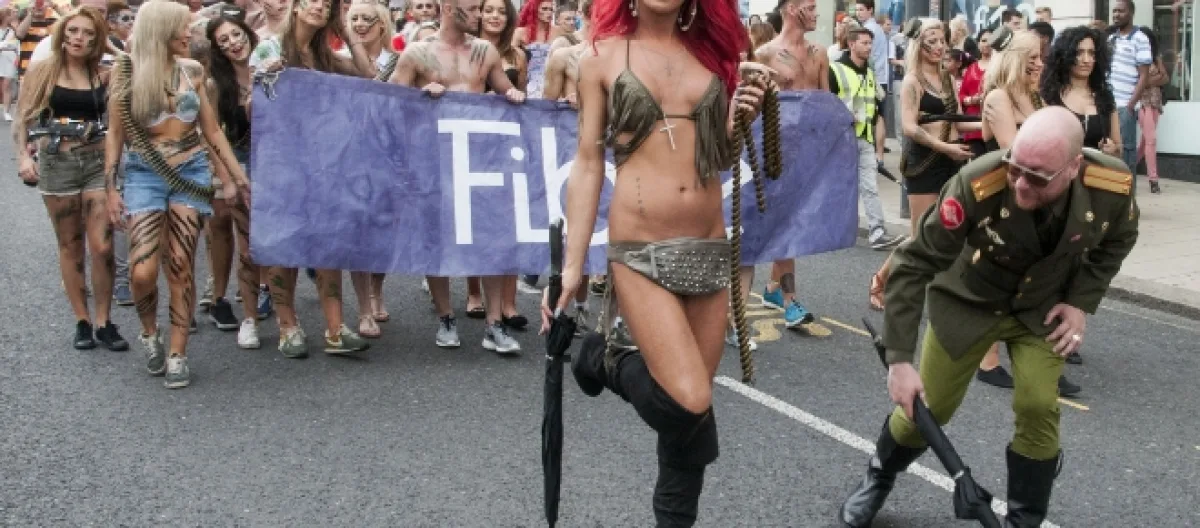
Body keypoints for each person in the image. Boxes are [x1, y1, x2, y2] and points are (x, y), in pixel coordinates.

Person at [840, 106, 1139, 528]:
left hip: (1040, 307)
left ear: (1073, 167)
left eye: (1038, 177)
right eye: (1016, 167)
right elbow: (913, 264)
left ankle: (1024, 518)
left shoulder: (1110, 185)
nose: (1020, 183)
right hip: (970, 300)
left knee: (1038, 405)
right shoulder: (978, 183)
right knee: (928, 409)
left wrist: (1079, 302)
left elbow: (1120, 239)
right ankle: (878, 476)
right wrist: (899, 361)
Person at [541, 0, 768, 522]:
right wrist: (573, 267)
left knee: (689, 421)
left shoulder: (714, 56)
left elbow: (718, 157)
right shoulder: (600, 57)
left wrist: (740, 119)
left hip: (708, 249)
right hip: (640, 251)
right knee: (688, 399)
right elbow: (588, 162)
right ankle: (604, 359)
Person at [105, 0, 249, 388]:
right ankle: (149, 331)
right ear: (161, 30)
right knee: (142, 271)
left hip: (191, 170)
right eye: (182, 27)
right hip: (144, 174)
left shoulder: (192, 71)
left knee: (182, 263)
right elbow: (115, 134)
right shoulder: (125, 71)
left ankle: (177, 353)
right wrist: (110, 189)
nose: (189, 33)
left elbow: (212, 130)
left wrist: (236, 178)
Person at [389, 0, 526, 353]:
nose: (480, 15)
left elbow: (505, 91)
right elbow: (390, 103)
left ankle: (494, 324)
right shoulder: (417, 53)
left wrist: (514, 94)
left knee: (492, 239)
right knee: (436, 239)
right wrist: (420, 97)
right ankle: (446, 317)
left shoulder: (485, 51)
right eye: (474, 8)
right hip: (433, 161)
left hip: (479, 161)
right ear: (449, 7)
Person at [250, 0, 376, 359]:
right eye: (313, 0)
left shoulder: (324, 55)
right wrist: (266, 78)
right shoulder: (269, 48)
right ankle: (287, 326)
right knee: (283, 243)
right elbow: (251, 108)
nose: (320, 6)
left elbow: (368, 74)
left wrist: (347, 31)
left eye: (327, 4)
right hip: (281, 161)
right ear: (295, 7)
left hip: (323, 161)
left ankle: (335, 329)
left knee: (326, 241)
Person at [14, 6, 128, 352]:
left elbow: (130, 67)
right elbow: (22, 117)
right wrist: (23, 156)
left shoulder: (103, 73)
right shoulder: (44, 70)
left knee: (103, 246)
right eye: (74, 31)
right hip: (58, 163)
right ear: (63, 33)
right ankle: (82, 321)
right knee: (70, 245)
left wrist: (109, 47)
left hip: (96, 163)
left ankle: (104, 321)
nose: (80, 38)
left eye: (89, 34)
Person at [867, 18, 975, 312]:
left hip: (952, 161)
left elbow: (958, 121)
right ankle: (881, 279)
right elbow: (909, 127)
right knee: (920, 236)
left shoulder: (948, 79)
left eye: (942, 41)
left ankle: (946, 295)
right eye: (932, 42)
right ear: (919, 45)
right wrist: (946, 147)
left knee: (951, 230)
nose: (939, 47)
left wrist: (993, 122)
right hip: (924, 164)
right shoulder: (912, 81)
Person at [1107, 0, 1152, 181]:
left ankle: (1128, 194)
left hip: (1124, 106)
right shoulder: (1111, 39)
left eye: (1121, 11)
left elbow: (1144, 76)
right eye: (1114, 11)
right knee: (1110, 152)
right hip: (1108, 105)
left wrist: (1130, 105)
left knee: (1126, 152)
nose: (1116, 15)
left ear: (1131, 13)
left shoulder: (1140, 39)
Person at [1136, 27, 1168, 194]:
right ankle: (1153, 180)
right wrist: (1156, 78)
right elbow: (1142, 82)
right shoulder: (1136, 57)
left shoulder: (1155, 57)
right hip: (1142, 103)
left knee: (1144, 142)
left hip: (1155, 103)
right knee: (1151, 140)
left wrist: (1150, 80)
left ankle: (1127, 167)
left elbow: (1166, 78)